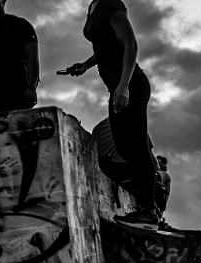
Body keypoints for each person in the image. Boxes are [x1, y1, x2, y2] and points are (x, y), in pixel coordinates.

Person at [63, 0, 161, 230]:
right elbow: (106, 44)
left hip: (131, 84)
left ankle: (148, 211)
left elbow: (131, 44)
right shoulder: (93, 7)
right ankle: (147, 205)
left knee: (136, 145)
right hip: (117, 86)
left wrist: (124, 85)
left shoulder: (110, 5)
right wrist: (85, 65)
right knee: (125, 147)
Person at [91, 116, 173, 228]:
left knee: (148, 178)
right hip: (125, 173)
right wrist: (160, 166)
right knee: (165, 177)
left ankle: (152, 214)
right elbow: (152, 164)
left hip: (106, 167)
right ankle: (158, 220)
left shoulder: (99, 127)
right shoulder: (133, 121)